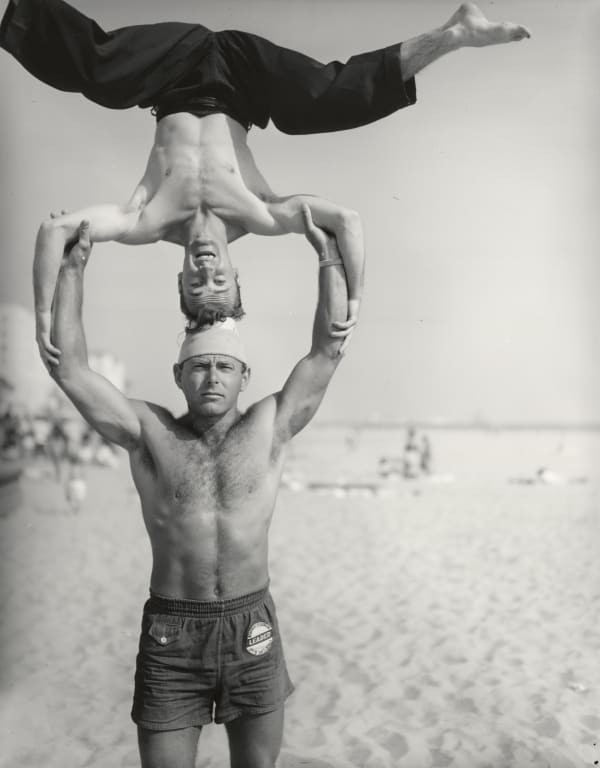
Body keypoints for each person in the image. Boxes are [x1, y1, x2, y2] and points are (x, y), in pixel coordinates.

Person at [0, 0, 530, 366]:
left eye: (195, 284)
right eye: (220, 283)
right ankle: (455, 33)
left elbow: (54, 231)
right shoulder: (260, 214)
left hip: (168, 72)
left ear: (180, 280)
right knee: (327, 98)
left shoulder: (146, 221)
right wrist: (357, 300)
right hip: (241, 81)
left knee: (97, 70)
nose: (207, 272)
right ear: (235, 275)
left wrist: (43, 316)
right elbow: (347, 220)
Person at [48, 209, 351, 768]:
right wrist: (72, 271)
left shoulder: (269, 427)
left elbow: (327, 350)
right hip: (172, 634)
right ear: (178, 375)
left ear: (244, 376)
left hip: (251, 626)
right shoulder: (149, 433)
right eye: (201, 367)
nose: (212, 378)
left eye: (224, 367)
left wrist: (327, 255)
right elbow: (70, 368)